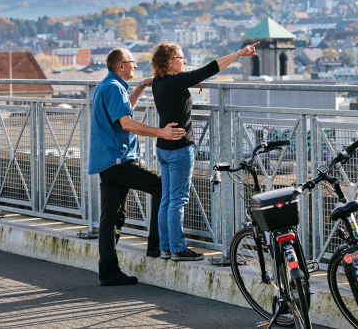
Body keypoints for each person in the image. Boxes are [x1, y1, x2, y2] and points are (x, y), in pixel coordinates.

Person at [151, 41, 259, 261]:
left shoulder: (158, 82)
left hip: (163, 148)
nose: (185, 60)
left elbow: (183, 82)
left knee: (167, 199)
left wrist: (191, 83)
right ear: (170, 61)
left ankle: (165, 247)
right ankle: (178, 249)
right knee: (178, 200)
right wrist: (239, 53)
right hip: (180, 148)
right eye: (181, 57)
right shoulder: (177, 81)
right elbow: (211, 67)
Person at [89, 48, 186, 286]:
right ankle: (156, 246)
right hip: (119, 160)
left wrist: (141, 88)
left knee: (111, 217)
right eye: (132, 62)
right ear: (120, 65)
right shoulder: (114, 88)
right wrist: (160, 132)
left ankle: (109, 272)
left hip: (108, 160)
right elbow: (127, 123)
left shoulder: (110, 86)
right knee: (161, 186)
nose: (135, 65)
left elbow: (124, 111)